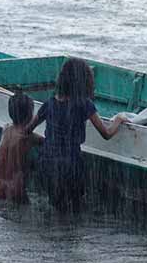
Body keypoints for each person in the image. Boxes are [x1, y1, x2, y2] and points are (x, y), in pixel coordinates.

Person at [24, 57, 125, 212]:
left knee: (55, 205)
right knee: (74, 208)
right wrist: (119, 119)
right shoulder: (85, 104)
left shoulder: (49, 104)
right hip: (71, 165)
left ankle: (54, 224)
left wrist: (46, 141)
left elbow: (27, 131)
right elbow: (106, 133)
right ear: (83, 82)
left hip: (47, 163)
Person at [0, 91, 38, 203]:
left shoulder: (5, 129)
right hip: (15, 187)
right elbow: (49, 142)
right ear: (30, 115)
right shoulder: (27, 136)